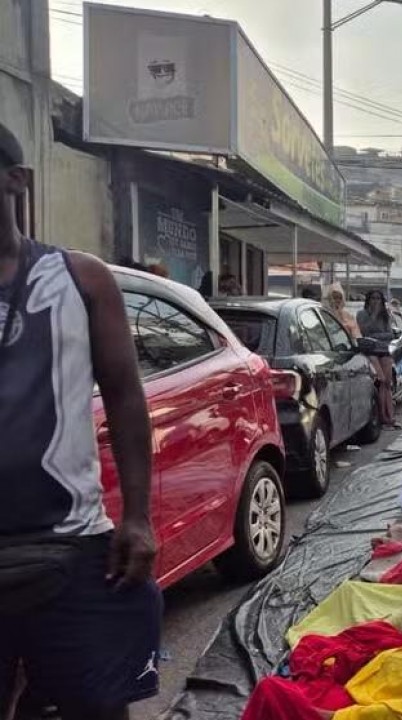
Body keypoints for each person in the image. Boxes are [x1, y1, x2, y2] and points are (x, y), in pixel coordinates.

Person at [0, 123, 163, 718]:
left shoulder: (78, 279)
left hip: (69, 550)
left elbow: (124, 393)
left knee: (95, 707)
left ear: (16, 182)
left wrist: (139, 518)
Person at [358, 290, 398, 429]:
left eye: (378, 298)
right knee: (380, 379)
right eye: (373, 298)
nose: (376, 301)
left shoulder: (385, 315)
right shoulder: (362, 314)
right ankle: (382, 415)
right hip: (370, 351)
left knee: (387, 383)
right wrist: (373, 316)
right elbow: (363, 332)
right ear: (368, 300)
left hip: (383, 350)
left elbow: (390, 334)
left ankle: (389, 417)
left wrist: (376, 336)